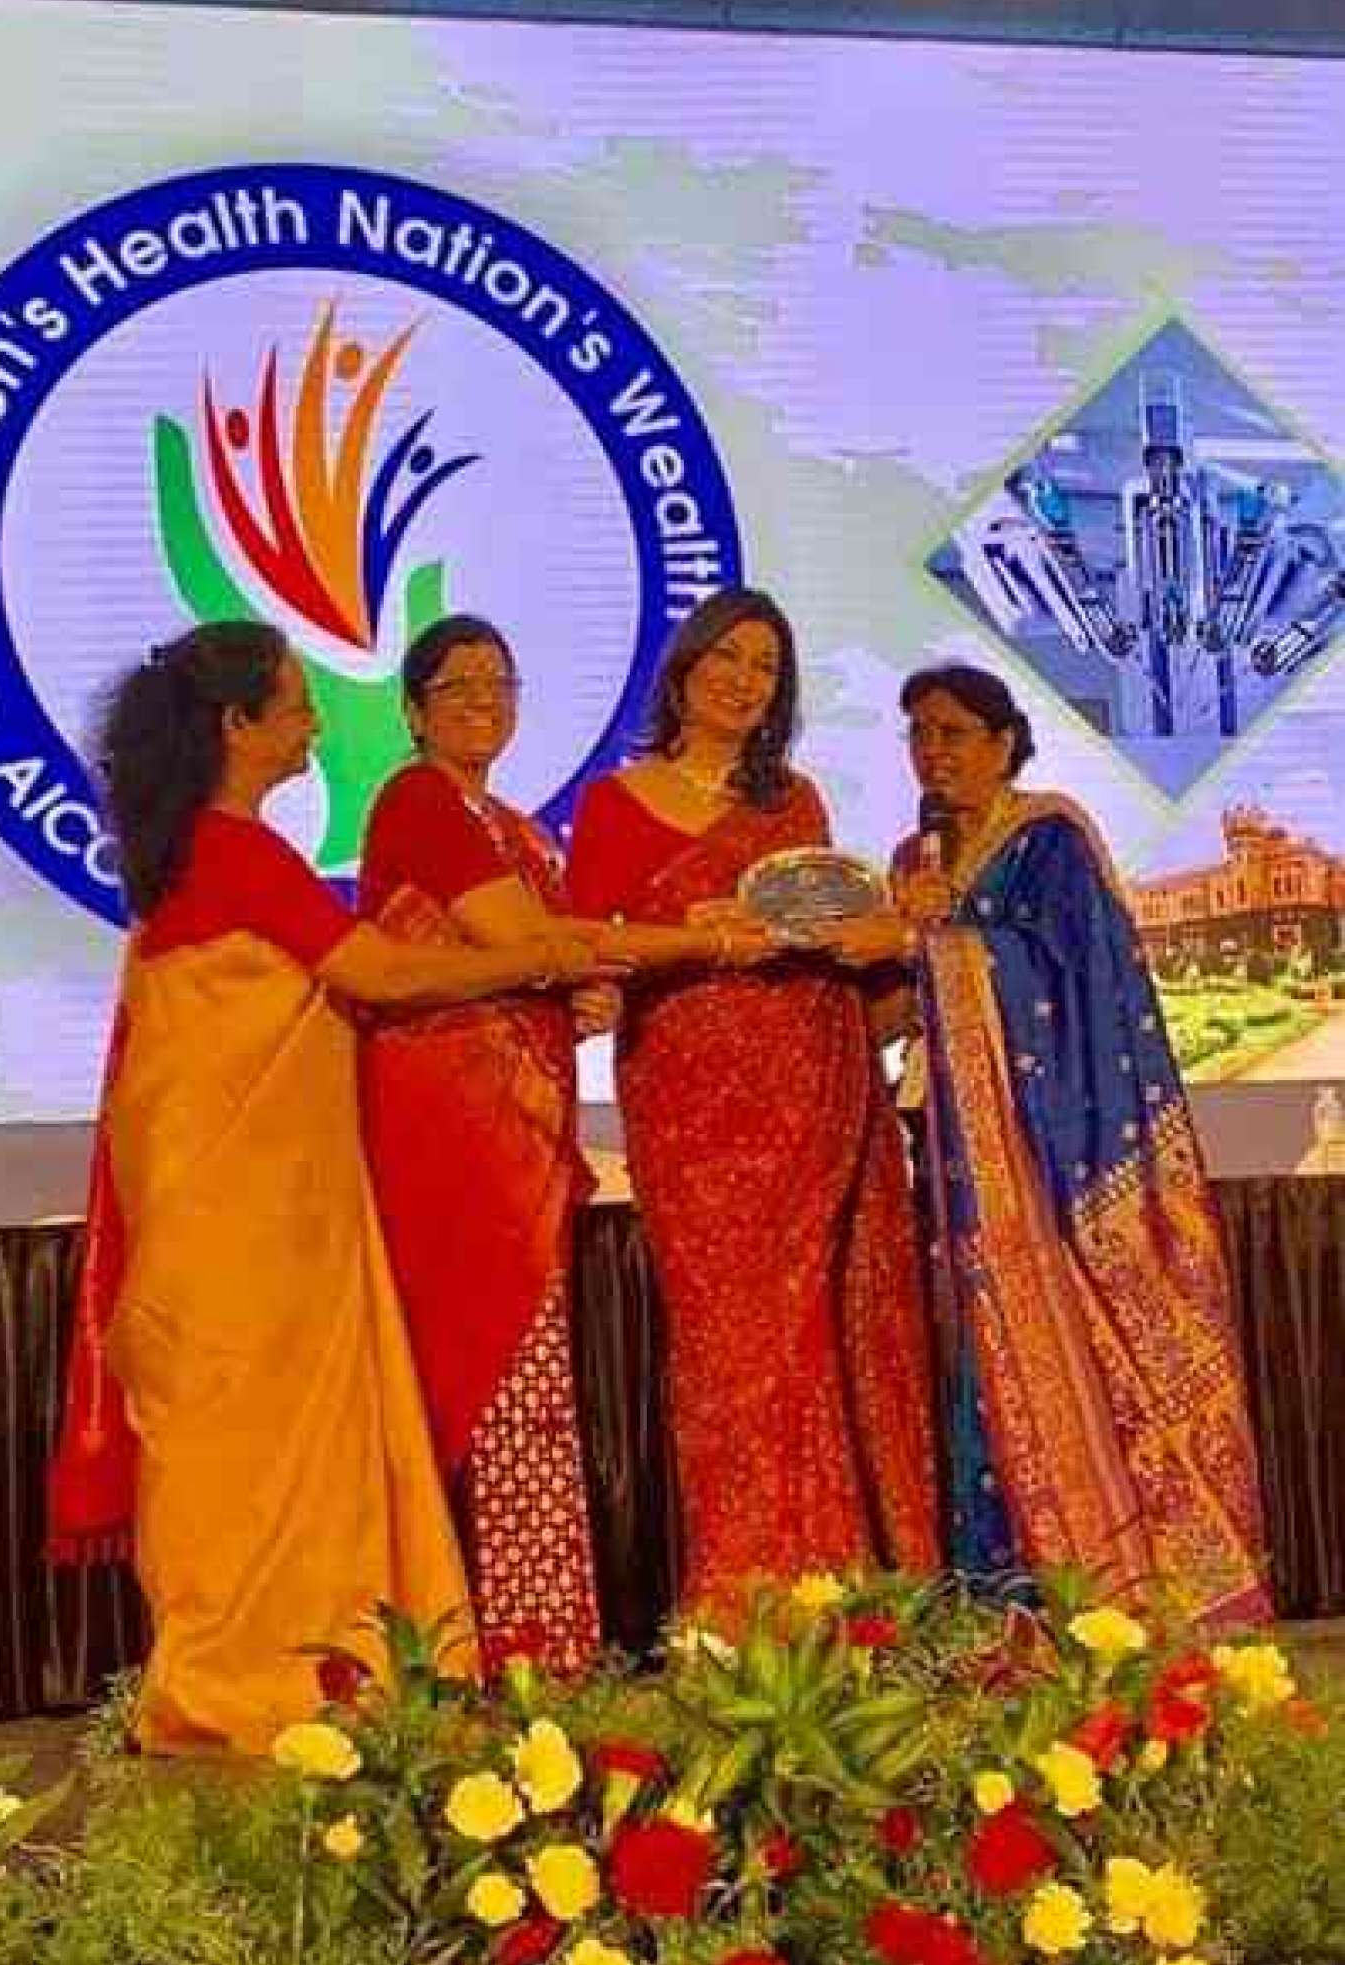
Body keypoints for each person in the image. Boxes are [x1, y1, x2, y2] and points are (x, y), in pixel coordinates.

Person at [48, 623, 601, 1754]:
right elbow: (381, 976)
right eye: (297, 706)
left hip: (243, 1214)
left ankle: (279, 1665)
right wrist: (544, 956)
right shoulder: (235, 854)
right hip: (248, 1221)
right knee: (258, 1449)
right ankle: (258, 1680)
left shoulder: (207, 852)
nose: (312, 724)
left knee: (249, 1446)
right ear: (236, 727)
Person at [359, 614, 767, 1675]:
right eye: (457, 685)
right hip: (446, 1126)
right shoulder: (419, 800)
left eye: (500, 683)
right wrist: (702, 939)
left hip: (517, 1123)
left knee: (527, 1383)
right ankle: (468, 1648)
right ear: (412, 710)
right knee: (478, 1366)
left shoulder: (517, 828)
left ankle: (538, 1645)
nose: (482, 701)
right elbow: (525, 944)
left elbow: (547, 961)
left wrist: (584, 992)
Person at [828, 661, 1270, 1627]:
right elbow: (904, 1010)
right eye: (918, 734)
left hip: (1063, 1173)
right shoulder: (913, 859)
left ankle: (1123, 1598)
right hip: (960, 1173)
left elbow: (1082, 978)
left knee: (1082, 1358)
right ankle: (1007, 1613)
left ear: (1004, 743)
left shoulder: (1049, 839)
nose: (932, 752)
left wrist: (926, 949)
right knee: (984, 1373)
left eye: (953, 732)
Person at [567, 588, 940, 1623]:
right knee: (729, 1346)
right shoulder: (616, 803)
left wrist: (890, 933)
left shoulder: (795, 803)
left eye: (766, 667)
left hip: (812, 1082)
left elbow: (820, 932)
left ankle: (843, 1594)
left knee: (818, 1333)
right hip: (689, 1100)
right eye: (727, 657)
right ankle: (744, 1606)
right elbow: (591, 942)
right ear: (684, 667)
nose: (744, 680)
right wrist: (697, 932)